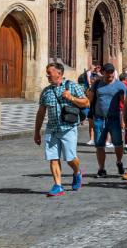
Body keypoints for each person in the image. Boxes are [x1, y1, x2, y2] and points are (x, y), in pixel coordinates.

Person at [34, 62, 89, 197]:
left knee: (70, 158)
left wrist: (71, 97)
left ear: (59, 73)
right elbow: (41, 113)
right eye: (47, 72)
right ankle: (58, 185)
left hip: (68, 128)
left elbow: (86, 102)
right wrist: (37, 131)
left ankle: (77, 172)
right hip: (51, 129)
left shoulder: (72, 86)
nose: (47, 75)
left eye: (50, 72)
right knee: (53, 158)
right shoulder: (46, 91)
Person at [87, 63, 126, 178]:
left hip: (114, 118)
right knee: (99, 145)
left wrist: (124, 119)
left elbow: (125, 104)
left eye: (111, 72)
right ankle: (101, 168)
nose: (110, 74)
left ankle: (119, 162)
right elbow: (90, 99)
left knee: (118, 144)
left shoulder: (120, 86)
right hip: (99, 118)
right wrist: (87, 114)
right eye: (107, 72)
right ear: (102, 72)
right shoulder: (97, 84)